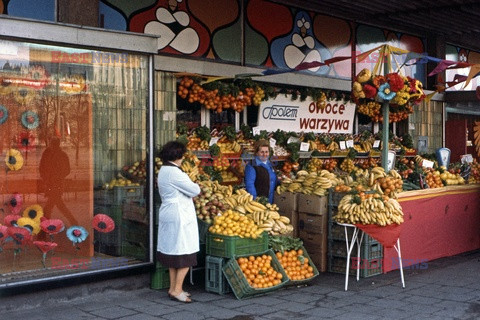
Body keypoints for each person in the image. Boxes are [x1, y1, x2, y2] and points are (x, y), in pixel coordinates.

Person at [156, 140, 200, 303]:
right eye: (181, 155)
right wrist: (194, 183)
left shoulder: (164, 170)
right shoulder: (176, 173)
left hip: (169, 212)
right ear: (176, 156)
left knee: (173, 253)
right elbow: (195, 190)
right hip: (179, 215)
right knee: (185, 253)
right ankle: (178, 289)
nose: (183, 159)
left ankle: (173, 288)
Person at [39, 136, 77, 225]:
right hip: (55, 184)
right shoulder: (61, 155)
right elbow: (67, 170)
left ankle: (44, 228)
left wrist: (46, 178)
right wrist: (58, 176)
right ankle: (73, 222)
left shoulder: (48, 154)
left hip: (52, 184)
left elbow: (42, 168)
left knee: (50, 207)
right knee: (58, 205)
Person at [244, 139, 278, 204]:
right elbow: (249, 185)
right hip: (260, 202)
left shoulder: (270, 164)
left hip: (271, 200)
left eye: (266, 152)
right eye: (262, 152)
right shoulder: (251, 166)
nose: (264, 154)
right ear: (256, 153)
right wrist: (256, 200)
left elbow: (273, 179)